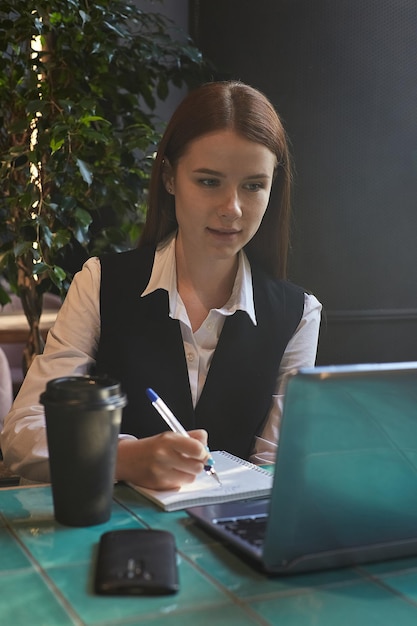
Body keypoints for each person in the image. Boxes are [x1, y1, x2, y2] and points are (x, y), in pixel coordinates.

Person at [1, 81, 321, 489]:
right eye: (208, 181)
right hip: (113, 533)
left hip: (227, 537)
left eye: (253, 185)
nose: (232, 209)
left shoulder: (298, 315)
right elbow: (22, 433)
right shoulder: (100, 282)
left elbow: (275, 468)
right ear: (170, 178)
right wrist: (122, 458)